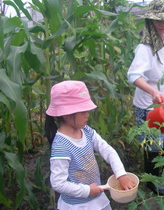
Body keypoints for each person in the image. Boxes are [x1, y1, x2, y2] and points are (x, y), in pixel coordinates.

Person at [45, 80, 135, 210]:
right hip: (77, 205)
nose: (87, 115)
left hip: (97, 198)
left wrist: (121, 174)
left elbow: (107, 150)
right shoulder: (61, 146)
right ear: (66, 114)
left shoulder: (86, 131)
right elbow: (58, 183)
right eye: (82, 111)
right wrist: (86, 191)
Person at [127, 0, 164, 196]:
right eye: (157, 20)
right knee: (153, 142)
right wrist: (153, 92)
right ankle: (152, 180)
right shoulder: (145, 47)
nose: (162, 24)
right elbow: (133, 76)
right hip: (148, 105)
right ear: (149, 20)